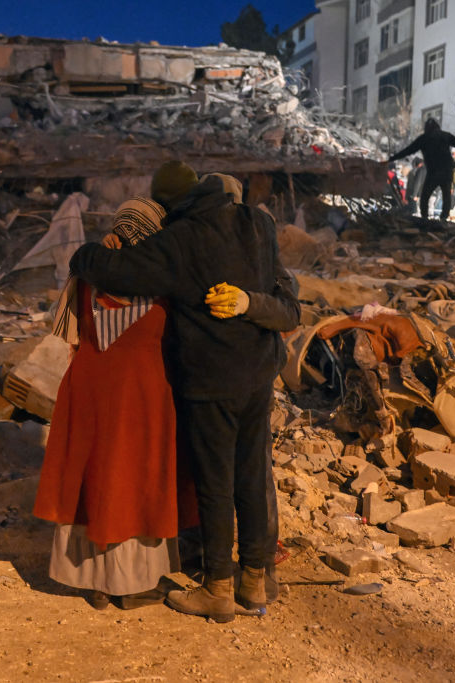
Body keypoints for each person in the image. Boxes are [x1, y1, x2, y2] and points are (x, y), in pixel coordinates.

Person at [70, 172, 300, 623]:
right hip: (258, 374)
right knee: (251, 477)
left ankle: (217, 589)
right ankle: (254, 581)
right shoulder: (259, 223)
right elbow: (287, 298)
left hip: (211, 381)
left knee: (216, 484)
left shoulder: (180, 238)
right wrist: (250, 303)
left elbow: (117, 272)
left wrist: (85, 253)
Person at [35, 189, 199, 611]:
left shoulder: (89, 271)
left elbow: (70, 334)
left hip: (90, 386)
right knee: (133, 481)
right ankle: (132, 583)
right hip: (145, 392)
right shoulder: (164, 281)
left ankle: (95, 583)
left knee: (94, 477)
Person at [389, 119, 455, 222]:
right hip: (446, 170)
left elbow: (408, 150)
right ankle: (443, 218)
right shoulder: (445, 135)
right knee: (446, 196)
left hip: (433, 171)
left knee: (425, 196)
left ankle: (424, 218)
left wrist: (392, 158)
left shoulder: (424, 138)